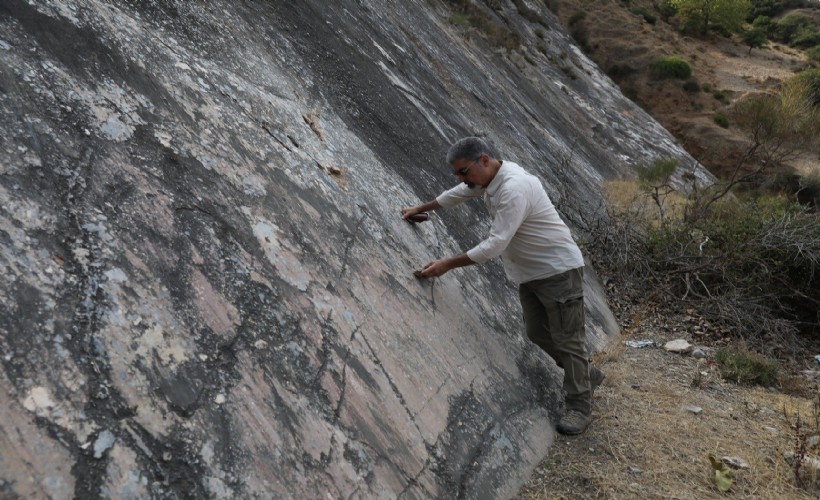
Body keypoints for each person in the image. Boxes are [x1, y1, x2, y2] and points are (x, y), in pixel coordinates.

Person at [401, 137, 604, 435]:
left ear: (484, 160)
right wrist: (421, 206)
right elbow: (459, 193)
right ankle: (584, 374)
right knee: (537, 332)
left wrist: (447, 264)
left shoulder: (514, 188)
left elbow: (495, 244)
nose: (462, 178)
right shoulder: (489, 179)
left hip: (557, 271)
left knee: (568, 339)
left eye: (464, 171)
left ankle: (579, 405)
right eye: (457, 173)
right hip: (530, 273)